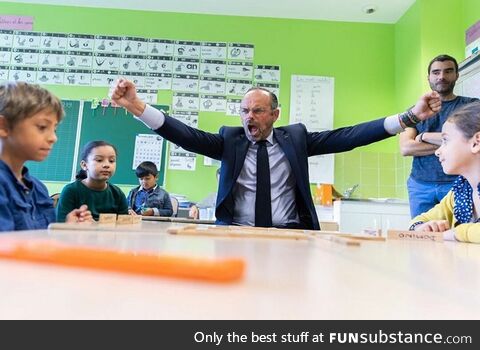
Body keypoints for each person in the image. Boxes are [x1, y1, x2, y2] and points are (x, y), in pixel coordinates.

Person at [111, 78, 441, 230]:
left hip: (292, 235)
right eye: (244, 111)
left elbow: (348, 136)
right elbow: (186, 136)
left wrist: (409, 117)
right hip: (237, 232)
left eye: (257, 111)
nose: (248, 117)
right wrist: (138, 107)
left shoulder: (295, 139)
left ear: (274, 114)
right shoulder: (230, 140)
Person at [0, 81, 92, 231]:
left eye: (54, 129)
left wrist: (65, 229)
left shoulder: (38, 188)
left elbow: (44, 239)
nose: (53, 138)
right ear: (3, 127)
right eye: (42, 127)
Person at [399, 54, 479, 218]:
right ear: (428, 77)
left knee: (459, 233)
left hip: (458, 183)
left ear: (457, 75)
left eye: (448, 71)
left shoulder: (472, 106)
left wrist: (424, 136)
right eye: (436, 72)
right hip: (419, 185)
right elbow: (406, 147)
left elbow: (473, 141)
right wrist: (455, 143)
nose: (441, 76)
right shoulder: (414, 111)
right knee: (421, 231)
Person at [409, 102, 480, 243]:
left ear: (476, 143)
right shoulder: (460, 192)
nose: (437, 151)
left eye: (445, 141)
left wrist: (454, 234)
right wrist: (424, 227)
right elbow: (419, 220)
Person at [56, 140, 129, 222]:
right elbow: (60, 223)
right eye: (99, 160)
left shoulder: (117, 193)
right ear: (84, 165)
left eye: (111, 161)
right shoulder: (71, 191)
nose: (106, 165)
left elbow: (124, 225)